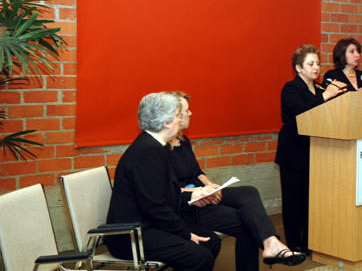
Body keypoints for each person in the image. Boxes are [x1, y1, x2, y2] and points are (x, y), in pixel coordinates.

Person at [164, 91, 306, 271]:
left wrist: (209, 185)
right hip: (187, 205)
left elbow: (197, 172)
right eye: (186, 110)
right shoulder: (159, 149)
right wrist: (200, 192)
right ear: (174, 115)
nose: (190, 113)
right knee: (246, 223)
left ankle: (271, 242)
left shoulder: (183, 141)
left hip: (203, 194)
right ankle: (271, 245)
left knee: (248, 191)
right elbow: (168, 190)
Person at [105, 92, 221, 271]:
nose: (180, 119)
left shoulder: (155, 146)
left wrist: (194, 197)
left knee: (210, 241)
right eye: (177, 116)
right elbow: (154, 205)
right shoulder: (147, 151)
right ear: (165, 123)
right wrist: (185, 233)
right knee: (200, 256)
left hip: (150, 225)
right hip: (132, 234)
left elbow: (164, 194)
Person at [274, 44, 347, 255]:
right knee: (294, 201)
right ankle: (295, 243)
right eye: (311, 64)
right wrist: (327, 96)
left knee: (311, 201)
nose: (316, 67)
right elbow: (300, 112)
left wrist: (343, 94)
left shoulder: (322, 88)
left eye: (318, 63)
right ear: (299, 68)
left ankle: (310, 240)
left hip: (317, 152)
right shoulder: (291, 88)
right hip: (294, 154)